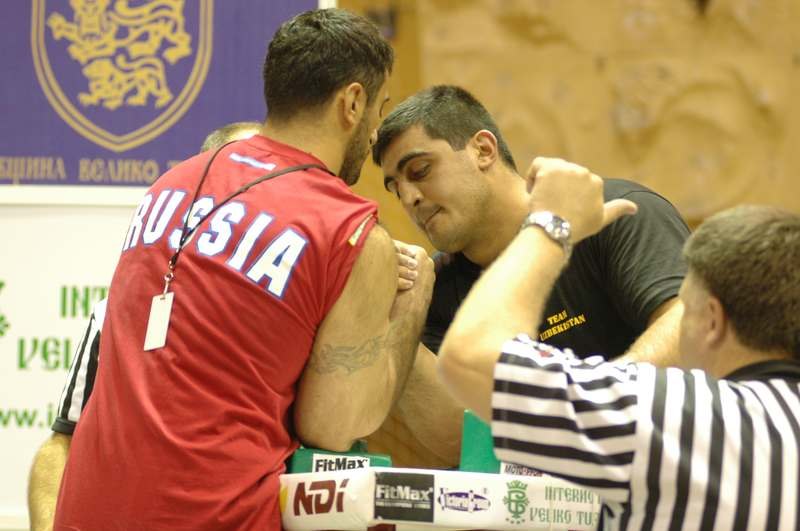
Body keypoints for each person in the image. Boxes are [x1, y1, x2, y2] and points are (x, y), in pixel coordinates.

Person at [52, 8, 434, 531]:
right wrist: (413, 300)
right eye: (378, 109)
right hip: (213, 517)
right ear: (352, 103)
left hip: (88, 514)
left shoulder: (168, 186)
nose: (373, 137)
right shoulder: (351, 231)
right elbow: (335, 425)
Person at [437, 157, 800, 529]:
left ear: (712, 320)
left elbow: (470, 356)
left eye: (685, 307)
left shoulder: (666, 415)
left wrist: (549, 225)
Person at [27, 120, 261, 531]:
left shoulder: (295, 313)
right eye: (242, 174)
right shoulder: (116, 311)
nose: (257, 195)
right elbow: (63, 442)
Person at [373, 85, 689, 363]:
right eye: (395, 189)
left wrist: (595, 400)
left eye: (420, 171)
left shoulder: (613, 212)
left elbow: (687, 327)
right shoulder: (437, 290)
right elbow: (449, 411)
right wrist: (397, 315)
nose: (408, 198)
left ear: (483, 150)